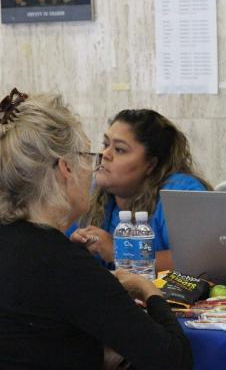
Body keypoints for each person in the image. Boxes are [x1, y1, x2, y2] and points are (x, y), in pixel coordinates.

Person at [0, 89, 193, 370]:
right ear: (65, 169)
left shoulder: (23, 246)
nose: (95, 167)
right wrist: (149, 291)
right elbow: (175, 363)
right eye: (90, 157)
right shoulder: (61, 261)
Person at [68, 109, 211, 272]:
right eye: (106, 145)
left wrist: (121, 253)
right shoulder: (92, 191)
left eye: (119, 149)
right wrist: (75, 248)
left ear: (150, 164)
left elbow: (203, 262)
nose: (104, 154)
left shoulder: (181, 192)